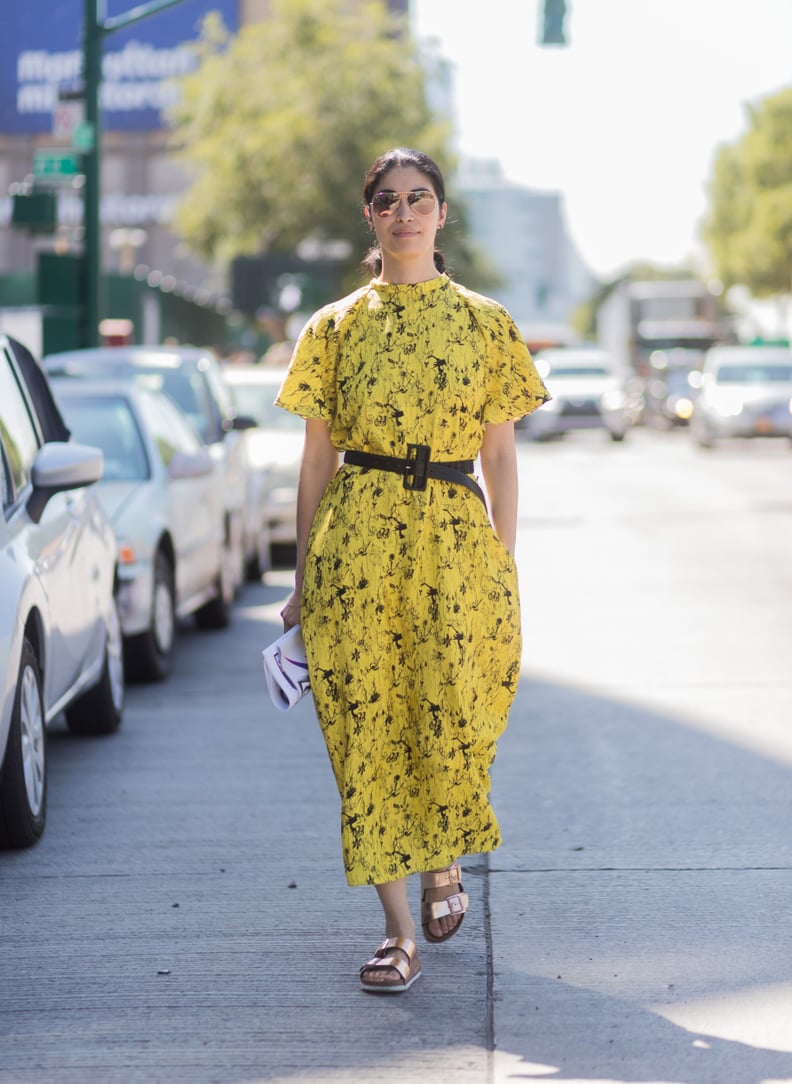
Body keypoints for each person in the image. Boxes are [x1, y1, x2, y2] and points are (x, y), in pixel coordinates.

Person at [276, 147, 550, 994]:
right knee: (366, 731)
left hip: (455, 540)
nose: (404, 213)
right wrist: (299, 579)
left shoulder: (485, 322)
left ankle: (444, 863)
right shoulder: (333, 327)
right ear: (370, 216)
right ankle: (398, 934)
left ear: (441, 213)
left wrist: (502, 561)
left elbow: (501, 456)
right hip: (356, 542)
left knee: (453, 715)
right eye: (388, 201)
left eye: (419, 198)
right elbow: (315, 463)